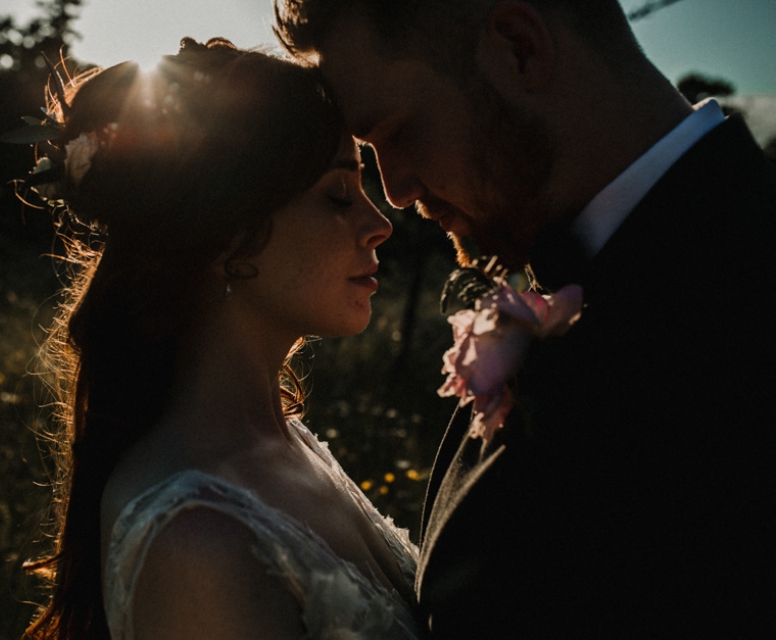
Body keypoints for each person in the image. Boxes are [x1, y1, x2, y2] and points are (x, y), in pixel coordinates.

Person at [275, 0, 776, 637]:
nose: (394, 190)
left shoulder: (741, 308)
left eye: (397, 132)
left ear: (520, 48)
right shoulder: (574, 269)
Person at [15, 37, 429, 640]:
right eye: (338, 196)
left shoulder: (286, 442)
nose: (380, 224)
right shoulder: (194, 542)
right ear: (223, 234)